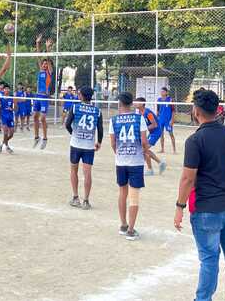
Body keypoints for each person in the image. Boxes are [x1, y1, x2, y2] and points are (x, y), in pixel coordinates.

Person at [174, 89, 225, 301]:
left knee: (209, 259)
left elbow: (188, 179)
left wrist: (179, 206)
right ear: (217, 110)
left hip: (206, 209)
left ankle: (203, 299)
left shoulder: (195, 140)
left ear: (196, 111)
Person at [109, 92, 151, 241]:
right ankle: (131, 231)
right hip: (136, 162)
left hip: (121, 162)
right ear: (131, 104)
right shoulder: (139, 118)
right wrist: (145, 154)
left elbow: (113, 143)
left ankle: (123, 225)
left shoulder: (113, 120)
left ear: (120, 104)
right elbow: (145, 142)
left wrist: (119, 154)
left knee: (122, 193)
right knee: (134, 195)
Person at [65, 86, 103, 210]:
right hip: (89, 146)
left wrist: (73, 133)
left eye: (79, 93)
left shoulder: (75, 107)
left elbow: (67, 124)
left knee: (73, 171)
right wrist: (99, 142)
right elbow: (100, 129)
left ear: (82, 95)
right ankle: (86, 200)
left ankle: (76, 198)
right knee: (87, 173)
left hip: (76, 144)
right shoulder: (97, 111)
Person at [134, 97, 167, 176]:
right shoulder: (139, 113)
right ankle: (160, 163)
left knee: (143, 149)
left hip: (156, 132)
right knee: (144, 149)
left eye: (137, 102)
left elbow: (154, 124)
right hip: (151, 132)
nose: (135, 103)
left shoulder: (148, 113)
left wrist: (143, 129)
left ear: (142, 104)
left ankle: (150, 169)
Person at [33, 35, 54, 150]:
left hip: (45, 97)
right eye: (43, 63)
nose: (45, 64)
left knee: (42, 118)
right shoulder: (40, 70)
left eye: (46, 63)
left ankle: (45, 138)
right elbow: (38, 56)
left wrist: (48, 48)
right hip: (37, 96)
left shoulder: (49, 72)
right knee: (35, 117)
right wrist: (37, 43)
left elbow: (48, 58)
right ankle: (36, 137)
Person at [157, 87, 176, 154]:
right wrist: (157, 118)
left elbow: (173, 111)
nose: (162, 93)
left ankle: (174, 150)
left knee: (171, 134)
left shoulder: (170, 100)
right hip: (161, 120)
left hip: (168, 120)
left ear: (166, 92)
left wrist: (172, 120)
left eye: (163, 91)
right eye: (161, 91)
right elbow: (158, 110)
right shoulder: (158, 100)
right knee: (161, 134)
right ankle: (162, 149)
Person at [0, 83, 16, 154]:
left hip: (10, 117)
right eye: (5, 89)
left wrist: (12, 109)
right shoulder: (1, 98)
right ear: (3, 90)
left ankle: (1, 143)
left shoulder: (12, 98)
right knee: (5, 132)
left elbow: (16, 108)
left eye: (8, 89)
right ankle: (7, 147)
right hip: (3, 116)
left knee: (11, 134)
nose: (7, 90)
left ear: (9, 90)